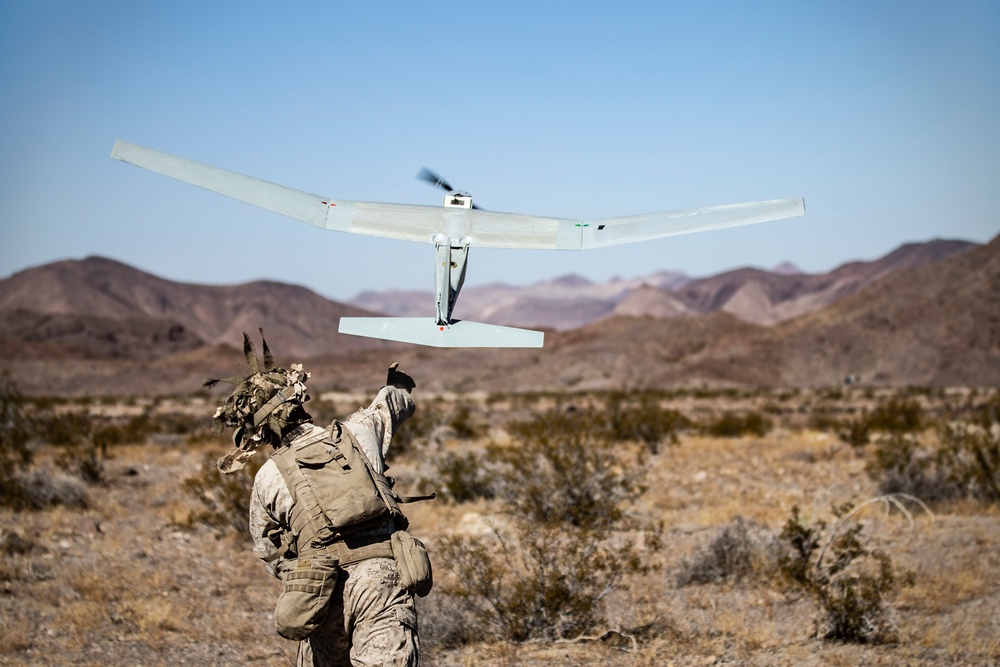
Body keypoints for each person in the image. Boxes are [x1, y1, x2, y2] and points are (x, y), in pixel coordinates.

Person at [206, 330, 425, 667]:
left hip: (320, 591)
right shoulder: (357, 432)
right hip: (382, 580)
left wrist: (310, 572)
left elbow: (270, 553)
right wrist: (396, 386)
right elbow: (391, 406)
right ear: (298, 400)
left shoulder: (267, 478)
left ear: (258, 430)